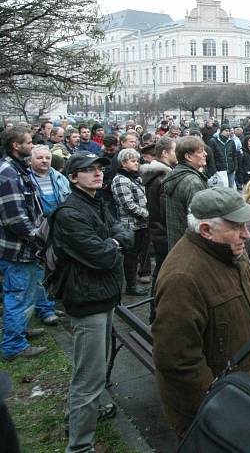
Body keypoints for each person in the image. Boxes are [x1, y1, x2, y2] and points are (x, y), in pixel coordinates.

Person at [152, 187, 250, 436]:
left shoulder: (232, 251)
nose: (246, 234)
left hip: (243, 394)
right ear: (206, 230)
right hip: (214, 414)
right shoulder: (182, 278)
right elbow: (177, 360)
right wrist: (218, 404)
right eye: (237, 227)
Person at [53, 151, 132, 452]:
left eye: (99, 168)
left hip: (103, 296)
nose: (98, 174)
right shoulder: (70, 212)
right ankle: (80, 445)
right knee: (89, 375)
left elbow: (123, 233)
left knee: (91, 366)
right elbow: (101, 255)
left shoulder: (97, 203)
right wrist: (113, 244)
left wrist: (113, 242)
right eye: (89, 170)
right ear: (73, 177)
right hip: (88, 300)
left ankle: (80, 416)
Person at [0, 128, 47, 361]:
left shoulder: (20, 169)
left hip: (27, 249)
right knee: (17, 295)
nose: (33, 145)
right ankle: (13, 345)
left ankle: (20, 330)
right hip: (17, 249)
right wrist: (38, 237)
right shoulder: (8, 173)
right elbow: (15, 218)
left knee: (26, 294)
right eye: (29, 142)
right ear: (16, 146)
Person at [30, 145, 70, 326]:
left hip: (58, 227)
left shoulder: (58, 177)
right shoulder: (26, 179)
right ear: (31, 160)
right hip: (38, 230)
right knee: (40, 271)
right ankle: (44, 310)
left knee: (55, 266)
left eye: (47, 157)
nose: (45, 161)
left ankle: (50, 303)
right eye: (40, 158)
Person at [111, 148, 150, 296]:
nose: (136, 163)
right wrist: (148, 215)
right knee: (131, 256)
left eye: (137, 161)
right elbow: (128, 204)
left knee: (135, 255)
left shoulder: (134, 177)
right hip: (130, 225)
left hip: (140, 224)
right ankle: (131, 286)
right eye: (132, 161)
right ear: (123, 163)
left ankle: (132, 283)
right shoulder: (120, 179)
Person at [141, 137, 177, 293]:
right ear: (165, 153)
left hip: (158, 231)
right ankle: (156, 308)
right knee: (163, 272)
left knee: (161, 270)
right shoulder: (163, 177)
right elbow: (166, 211)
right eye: (175, 151)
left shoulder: (157, 174)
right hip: (164, 232)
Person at [164, 136, 209, 250]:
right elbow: (199, 223)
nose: (205, 154)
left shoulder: (176, 174)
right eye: (200, 151)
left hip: (178, 244)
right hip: (191, 248)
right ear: (188, 156)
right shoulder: (193, 183)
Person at [208, 124, 237, 188]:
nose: (228, 133)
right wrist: (214, 169)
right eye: (226, 131)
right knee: (221, 189)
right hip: (219, 170)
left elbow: (234, 155)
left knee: (230, 189)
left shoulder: (231, 142)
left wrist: (235, 167)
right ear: (221, 131)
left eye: (229, 131)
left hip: (230, 169)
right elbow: (211, 157)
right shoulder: (213, 141)